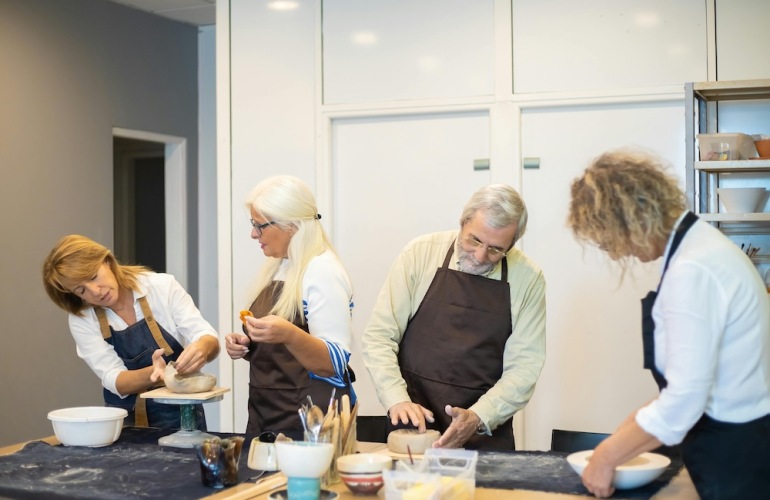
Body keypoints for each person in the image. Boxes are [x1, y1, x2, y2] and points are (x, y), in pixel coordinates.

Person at [567, 149, 770, 499]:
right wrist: (629, 430)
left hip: (734, 455)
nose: (616, 254)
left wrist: (605, 456)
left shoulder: (692, 270)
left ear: (629, 221)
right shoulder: (702, 246)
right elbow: (692, 379)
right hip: (743, 441)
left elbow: (684, 401)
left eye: (609, 241)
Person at [362, 184, 546, 450]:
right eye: (475, 240)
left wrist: (480, 416)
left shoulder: (528, 279)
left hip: (483, 432)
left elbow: (525, 367)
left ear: (512, 244)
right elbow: (380, 336)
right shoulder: (420, 254)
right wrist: (395, 398)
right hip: (414, 428)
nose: (481, 255)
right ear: (463, 222)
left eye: (495, 249)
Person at [43, 235, 220, 430]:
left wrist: (203, 348)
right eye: (81, 290)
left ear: (107, 261)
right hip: (124, 417)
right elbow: (113, 379)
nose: (95, 291)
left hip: (180, 411)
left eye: (93, 276)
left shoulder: (161, 287)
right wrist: (157, 372)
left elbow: (206, 336)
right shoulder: (83, 319)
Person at [225, 175, 356, 437]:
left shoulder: (322, 270)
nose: (253, 234)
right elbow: (283, 349)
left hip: (311, 419)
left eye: (259, 225)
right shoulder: (282, 265)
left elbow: (334, 363)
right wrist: (248, 343)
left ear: (291, 225)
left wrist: (287, 333)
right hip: (267, 411)